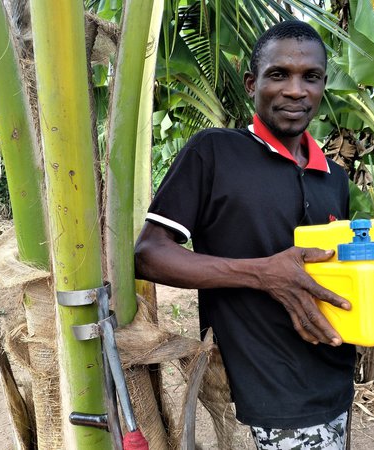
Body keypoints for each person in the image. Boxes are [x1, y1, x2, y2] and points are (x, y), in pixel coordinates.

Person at [134, 20, 355, 450]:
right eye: (279, 74)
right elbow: (150, 253)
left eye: (310, 77)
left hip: (334, 378)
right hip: (263, 392)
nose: (295, 90)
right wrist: (263, 273)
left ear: (323, 86)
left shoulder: (335, 179)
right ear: (252, 83)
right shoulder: (214, 152)